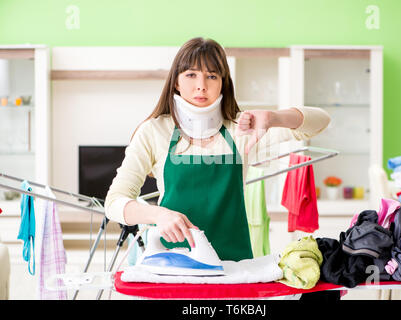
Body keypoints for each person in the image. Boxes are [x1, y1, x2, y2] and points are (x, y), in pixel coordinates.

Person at [105, 37, 330, 262]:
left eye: (212, 76)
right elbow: (114, 202)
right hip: (172, 266)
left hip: (233, 266)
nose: (201, 85)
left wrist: (275, 117)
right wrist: (158, 215)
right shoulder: (154, 131)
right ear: (176, 82)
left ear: (223, 82)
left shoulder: (243, 127)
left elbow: (319, 122)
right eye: (191, 74)